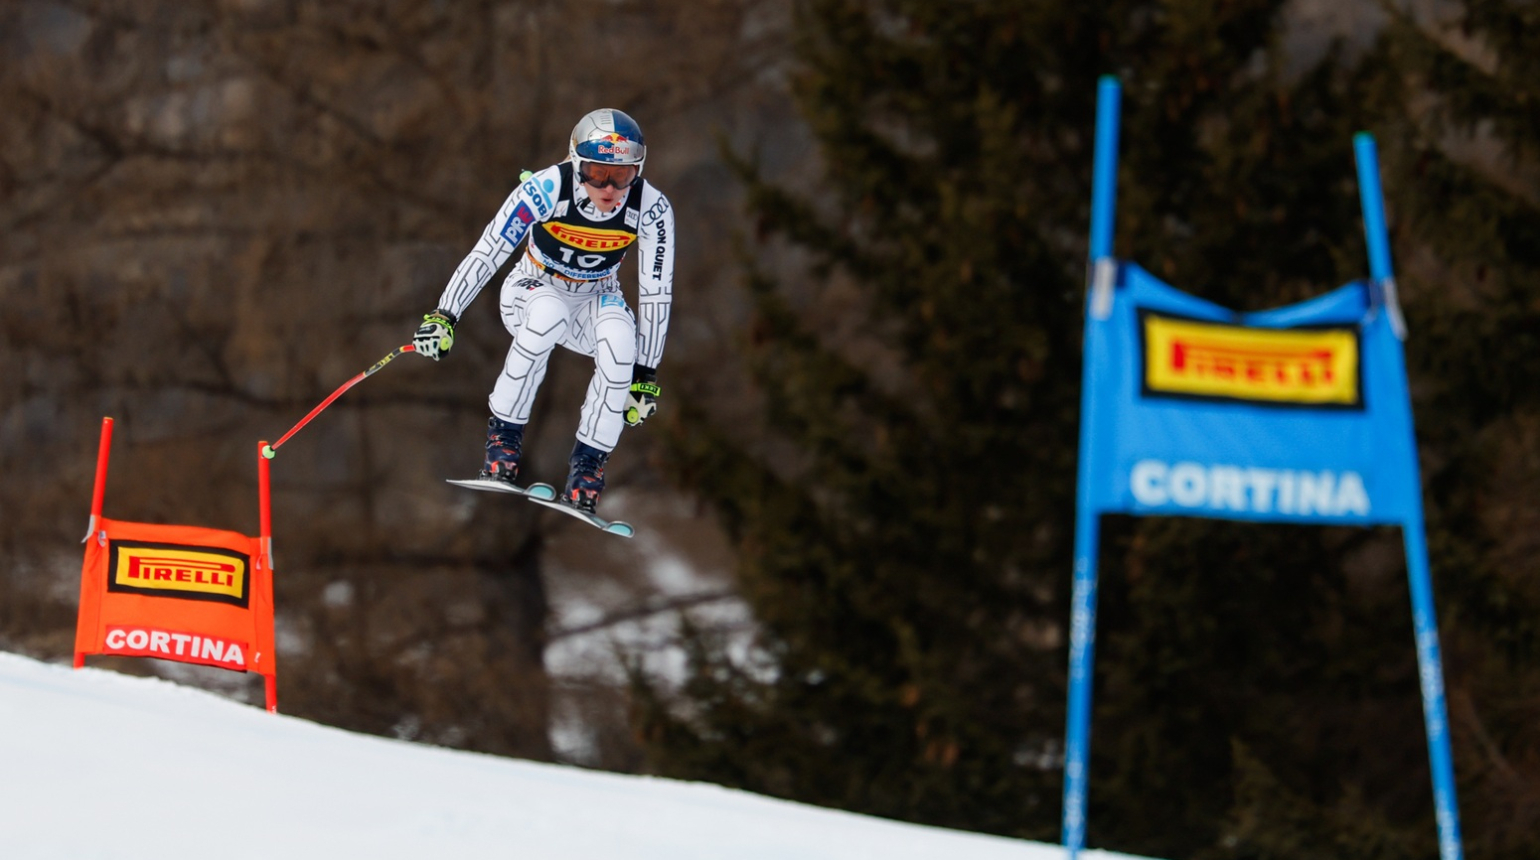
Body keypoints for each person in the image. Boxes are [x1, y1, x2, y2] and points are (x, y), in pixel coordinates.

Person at [413, 108, 674, 513]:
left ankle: (588, 469)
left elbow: (657, 292)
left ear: (637, 170)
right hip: (532, 289)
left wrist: (646, 374)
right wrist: (445, 315)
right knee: (548, 313)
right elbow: (488, 252)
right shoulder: (545, 189)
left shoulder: (652, 209)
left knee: (623, 341)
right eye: (595, 172)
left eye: (621, 175)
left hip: (594, 297)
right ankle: (503, 443)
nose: (608, 188)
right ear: (575, 163)